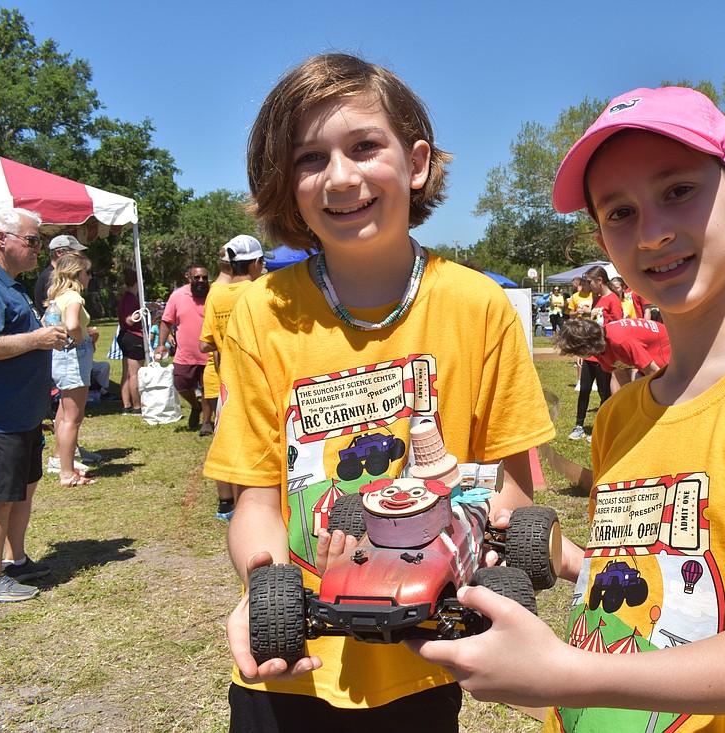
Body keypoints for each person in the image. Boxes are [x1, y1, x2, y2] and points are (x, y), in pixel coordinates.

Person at [411, 86, 725, 732]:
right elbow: (642, 576)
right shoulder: (618, 417)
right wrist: (563, 558)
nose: (651, 231)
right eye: (620, 212)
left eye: (678, 190)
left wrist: (561, 672)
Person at [201, 53, 555, 732]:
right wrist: (263, 585)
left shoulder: (477, 306)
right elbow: (255, 500)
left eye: (364, 146)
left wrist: (463, 550)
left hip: (422, 662)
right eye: (309, 158)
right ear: (286, 180)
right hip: (294, 674)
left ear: (416, 161)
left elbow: (512, 493)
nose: (340, 177)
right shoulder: (262, 310)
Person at [0, 208, 64, 602]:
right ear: (1, 239)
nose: (37, 250)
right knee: (0, 495)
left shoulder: (9, 282)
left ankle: (15, 560)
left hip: (20, 414)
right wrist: (36, 340)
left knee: (22, 489)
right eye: (31, 241)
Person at [198, 235, 271, 520]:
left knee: (228, 444)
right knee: (254, 449)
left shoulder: (215, 293)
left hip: (225, 380)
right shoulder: (261, 291)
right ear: (255, 263)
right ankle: (251, 511)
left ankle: (228, 506)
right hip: (256, 380)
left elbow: (205, 343)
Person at [47, 252, 97, 487]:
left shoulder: (58, 297)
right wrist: (78, 339)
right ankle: (66, 472)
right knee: (73, 418)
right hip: (73, 358)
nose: (89, 277)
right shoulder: (74, 296)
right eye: (87, 272)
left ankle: (64, 463)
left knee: (64, 414)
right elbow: (72, 325)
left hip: (61, 357)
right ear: (78, 274)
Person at [155, 265, 212, 432]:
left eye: (204, 277)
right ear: (189, 277)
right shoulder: (177, 295)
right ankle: (196, 406)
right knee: (181, 384)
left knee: (207, 389)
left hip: (209, 352)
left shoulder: (214, 294)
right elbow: (166, 321)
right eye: (197, 277)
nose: (201, 281)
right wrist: (160, 345)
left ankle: (207, 423)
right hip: (185, 354)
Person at [568, 266, 620, 440]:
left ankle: (602, 427)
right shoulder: (596, 299)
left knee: (605, 392)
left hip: (605, 354)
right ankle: (579, 425)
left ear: (599, 281)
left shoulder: (613, 300)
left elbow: (618, 328)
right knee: (584, 389)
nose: (587, 285)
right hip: (591, 353)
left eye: (590, 282)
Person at [555, 317, 670, 392]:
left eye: (576, 351)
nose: (576, 355)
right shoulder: (601, 345)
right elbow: (619, 372)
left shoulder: (620, 341)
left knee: (652, 391)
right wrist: (621, 404)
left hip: (667, 353)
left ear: (585, 346)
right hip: (652, 363)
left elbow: (654, 372)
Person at [32, 234, 87, 317]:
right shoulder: (52, 278)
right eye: (74, 253)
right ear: (59, 253)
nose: (78, 257)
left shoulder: (54, 275)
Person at [116, 269, 146, 415]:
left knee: (127, 373)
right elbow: (129, 320)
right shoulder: (130, 299)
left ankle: (126, 405)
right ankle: (136, 406)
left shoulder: (128, 297)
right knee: (135, 374)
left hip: (125, 336)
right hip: (133, 336)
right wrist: (141, 313)